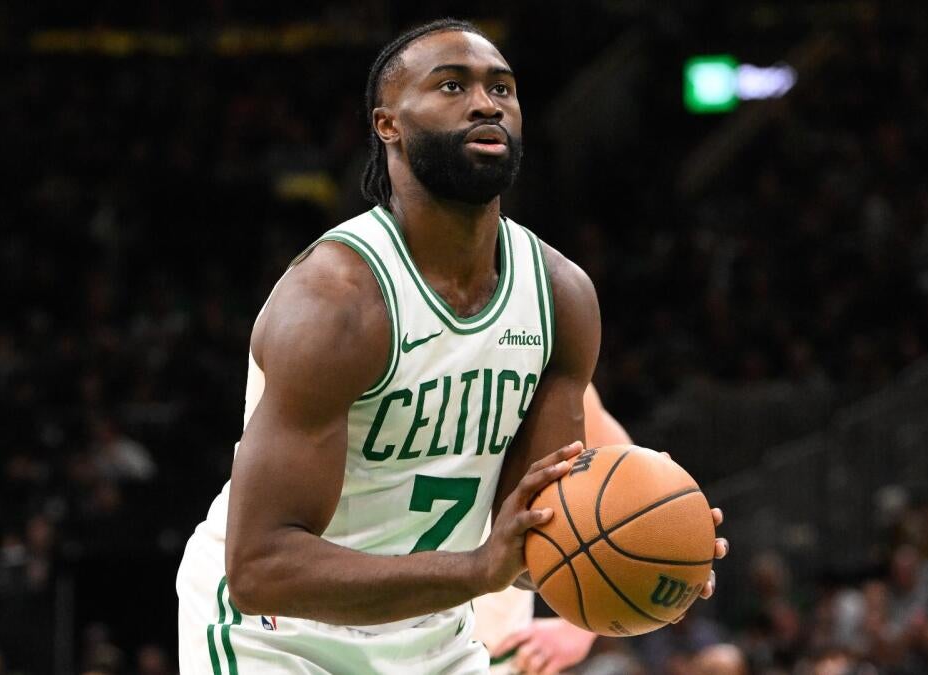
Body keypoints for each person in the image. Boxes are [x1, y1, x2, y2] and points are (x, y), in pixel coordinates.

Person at [176, 18, 728, 674]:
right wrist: (477, 568)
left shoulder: (561, 297)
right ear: (388, 125)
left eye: (502, 88)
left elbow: (535, 536)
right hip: (280, 636)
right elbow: (260, 569)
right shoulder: (337, 302)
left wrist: (653, 548)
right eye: (451, 86)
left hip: (434, 631)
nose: (485, 103)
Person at [473, 383, 633, 675]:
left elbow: (634, 488)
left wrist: (581, 628)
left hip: (498, 660)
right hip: (383, 646)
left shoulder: (542, 368)